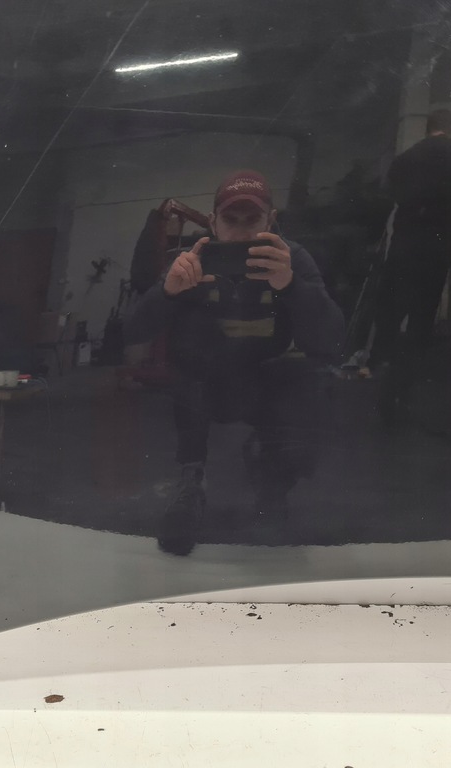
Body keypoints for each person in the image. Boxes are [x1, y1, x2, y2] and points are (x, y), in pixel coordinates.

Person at [125, 170, 345, 556]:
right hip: (207, 380)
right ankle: (191, 480)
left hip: (266, 380)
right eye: (231, 220)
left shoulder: (291, 259)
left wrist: (290, 286)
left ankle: (273, 488)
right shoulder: (190, 261)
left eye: (252, 220)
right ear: (213, 223)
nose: (241, 232)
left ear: (270, 220)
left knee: (307, 378)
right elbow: (133, 332)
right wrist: (167, 293)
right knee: (188, 349)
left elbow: (332, 340)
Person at [369, 109, 451, 421]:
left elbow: (387, 199)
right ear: (450, 127)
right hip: (437, 244)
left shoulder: (406, 158)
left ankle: (383, 374)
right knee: (422, 316)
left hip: (405, 242)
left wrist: (376, 241)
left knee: (392, 311)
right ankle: (405, 389)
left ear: (427, 127)